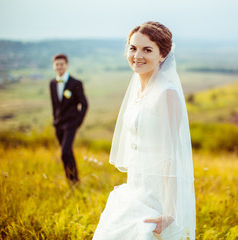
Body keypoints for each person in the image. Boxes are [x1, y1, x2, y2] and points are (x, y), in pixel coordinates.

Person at [93, 22, 195, 240]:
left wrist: (170, 212)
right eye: (132, 48)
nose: (137, 55)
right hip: (135, 186)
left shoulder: (166, 94)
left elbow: (170, 157)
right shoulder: (138, 91)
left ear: (162, 55)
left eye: (147, 50)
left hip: (158, 193)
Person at [49, 53, 88, 183]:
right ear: (54, 66)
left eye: (62, 64)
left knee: (65, 152)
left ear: (67, 65)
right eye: (57, 64)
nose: (59, 67)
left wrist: (78, 122)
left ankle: (73, 179)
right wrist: (55, 120)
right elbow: (54, 105)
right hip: (58, 124)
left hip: (71, 124)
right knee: (67, 153)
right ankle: (73, 179)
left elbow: (84, 104)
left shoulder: (75, 83)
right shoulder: (52, 83)